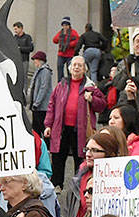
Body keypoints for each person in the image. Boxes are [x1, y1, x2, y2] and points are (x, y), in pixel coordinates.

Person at [57, 127, 127, 217]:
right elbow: (65, 216)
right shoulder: (77, 181)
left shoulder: (123, 182)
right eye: (87, 149)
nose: (88, 154)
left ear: (109, 154)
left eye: (95, 150)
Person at [43, 55, 106, 187]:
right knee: (58, 157)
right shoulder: (62, 85)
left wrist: (92, 99)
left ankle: (80, 185)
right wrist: (48, 125)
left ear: (84, 69)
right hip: (61, 128)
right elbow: (52, 105)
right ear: (70, 68)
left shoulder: (90, 87)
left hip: (81, 130)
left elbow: (102, 106)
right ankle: (57, 185)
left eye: (80, 65)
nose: (76, 67)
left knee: (80, 158)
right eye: (74, 65)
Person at [28, 51, 52, 133]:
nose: (34, 62)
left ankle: (45, 145)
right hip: (36, 107)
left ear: (39, 60)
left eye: (35, 59)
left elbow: (43, 88)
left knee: (42, 129)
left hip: (42, 107)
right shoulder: (39, 70)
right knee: (36, 130)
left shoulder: (45, 71)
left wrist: (36, 103)